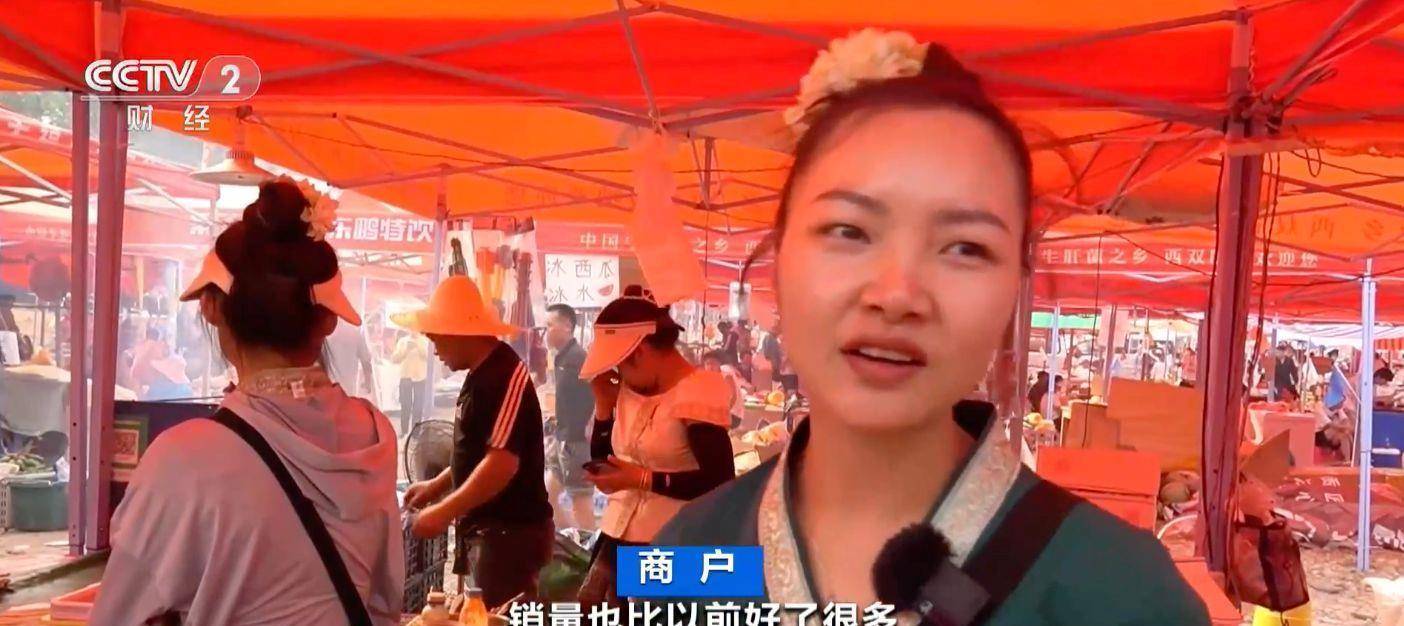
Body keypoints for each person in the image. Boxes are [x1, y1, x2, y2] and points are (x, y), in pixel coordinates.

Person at [653, 31, 1209, 624]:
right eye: (849, 231)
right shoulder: (686, 554)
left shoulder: (1123, 595)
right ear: (777, 260)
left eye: (966, 247)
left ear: (1014, 293)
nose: (897, 295)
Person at [91, 178, 404, 624]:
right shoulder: (375, 435)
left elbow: (117, 615)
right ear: (329, 320)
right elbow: (385, 604)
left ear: (210, 307)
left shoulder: (183, 459)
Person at [576, 286, 735, 605]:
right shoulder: (629, 389)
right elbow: (606, 459)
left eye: (622, 364)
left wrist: (643, 479)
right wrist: (604, 409)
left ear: (640, 352)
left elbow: (719, 480)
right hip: (617, 536)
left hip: (674, 542)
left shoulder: (698, 393)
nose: (618, 374)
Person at [402, 275, 553, 609]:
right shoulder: (479, 375)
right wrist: (436, 486)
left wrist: (444, 511)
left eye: (437, 339)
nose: (435, 350)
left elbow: (501, 463)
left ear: (459, 333)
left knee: (497, 616)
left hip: (510, 536)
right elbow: (475, 452)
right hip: (490, 534)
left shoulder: (505, 375)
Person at [544, 303, 597, 532]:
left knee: (580, 500)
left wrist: (592, 422)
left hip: (576, 443)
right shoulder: (561, 358)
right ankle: (569, 541)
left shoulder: (579, 357)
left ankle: (587, 545)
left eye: (549, 325)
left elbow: (601, 390)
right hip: (562, 438)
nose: (546, 332)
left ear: (567, 326)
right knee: (547, 496)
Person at [326, 319, 378, 401]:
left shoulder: (327, 331)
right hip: (349, 388)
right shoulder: (355, 331)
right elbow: (365, 359)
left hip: (328, 386)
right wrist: (367, 383)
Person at [390, 330, 429, 433]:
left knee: (418, 406)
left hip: (420, 377)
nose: (413, 330)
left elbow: (427, 356)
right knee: (405, 405)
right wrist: (405, 350)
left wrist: (418, 346)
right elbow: (394, 359)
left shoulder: (424, 341)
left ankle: (415, 433)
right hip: (405, 377)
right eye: (411, 328)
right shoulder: (403, 341)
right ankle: (404, 431)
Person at [702, 349, 752, 429]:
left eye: (713, 363)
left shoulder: (726, 375)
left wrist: (722, 413)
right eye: (707, 364)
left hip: (733, 415)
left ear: (719, 364)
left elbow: (732, 397)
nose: (710, 367)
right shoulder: (709, 378)